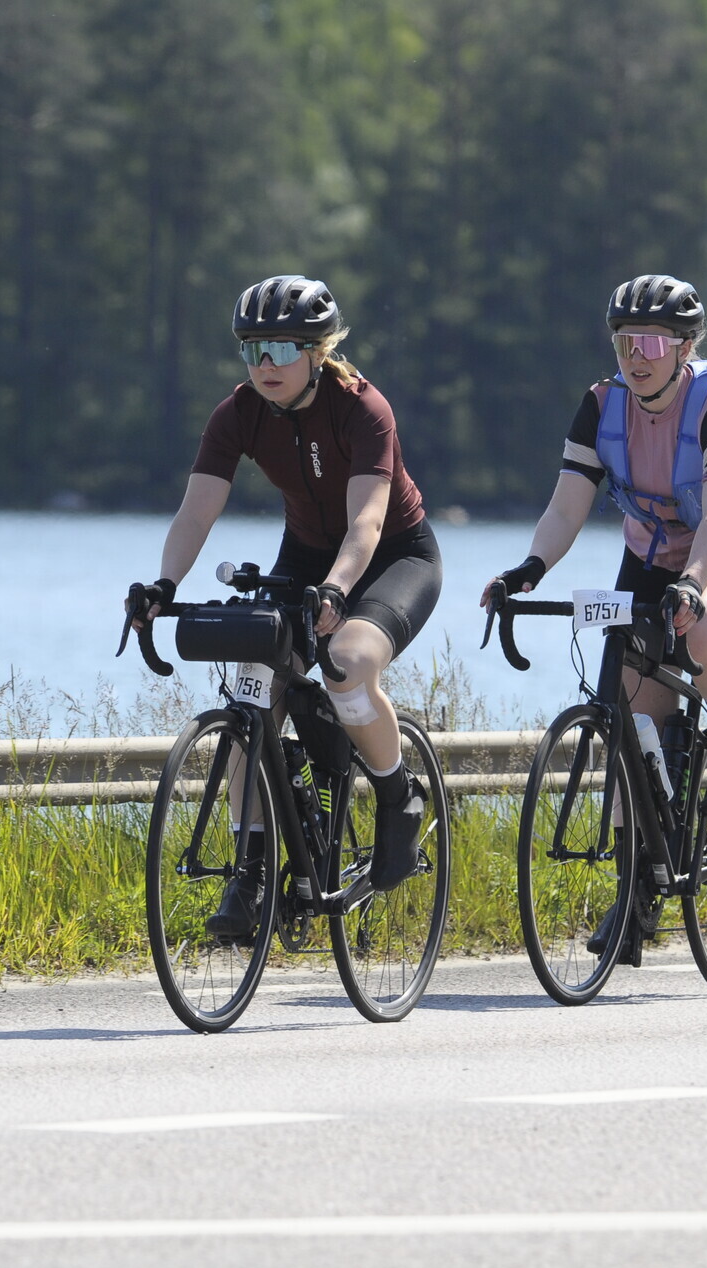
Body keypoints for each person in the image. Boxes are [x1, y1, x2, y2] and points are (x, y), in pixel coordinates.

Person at [128, 275, 441, 939]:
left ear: (318, 351)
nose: (264, 364)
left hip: (393, 558)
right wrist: (163, 585)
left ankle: (399, 794)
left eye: (281, 348)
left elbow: (366, 524)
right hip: (303, 557)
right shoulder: (238, 412)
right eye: (252, 349)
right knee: (253, 686)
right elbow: (196, 512)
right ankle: (253, 870)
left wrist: (337, 590)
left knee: (348, 663)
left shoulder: (363, 408)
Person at [483, 274, 707, 940]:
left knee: (704, 626)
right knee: (628, 719)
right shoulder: (601, 406)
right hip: (649, 557)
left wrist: (695, 582)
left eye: (650, 343)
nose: (634, 356)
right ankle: (637, 890)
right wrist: (529, 569)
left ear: (684, 347)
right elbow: (567, 507)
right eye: (623, 342)